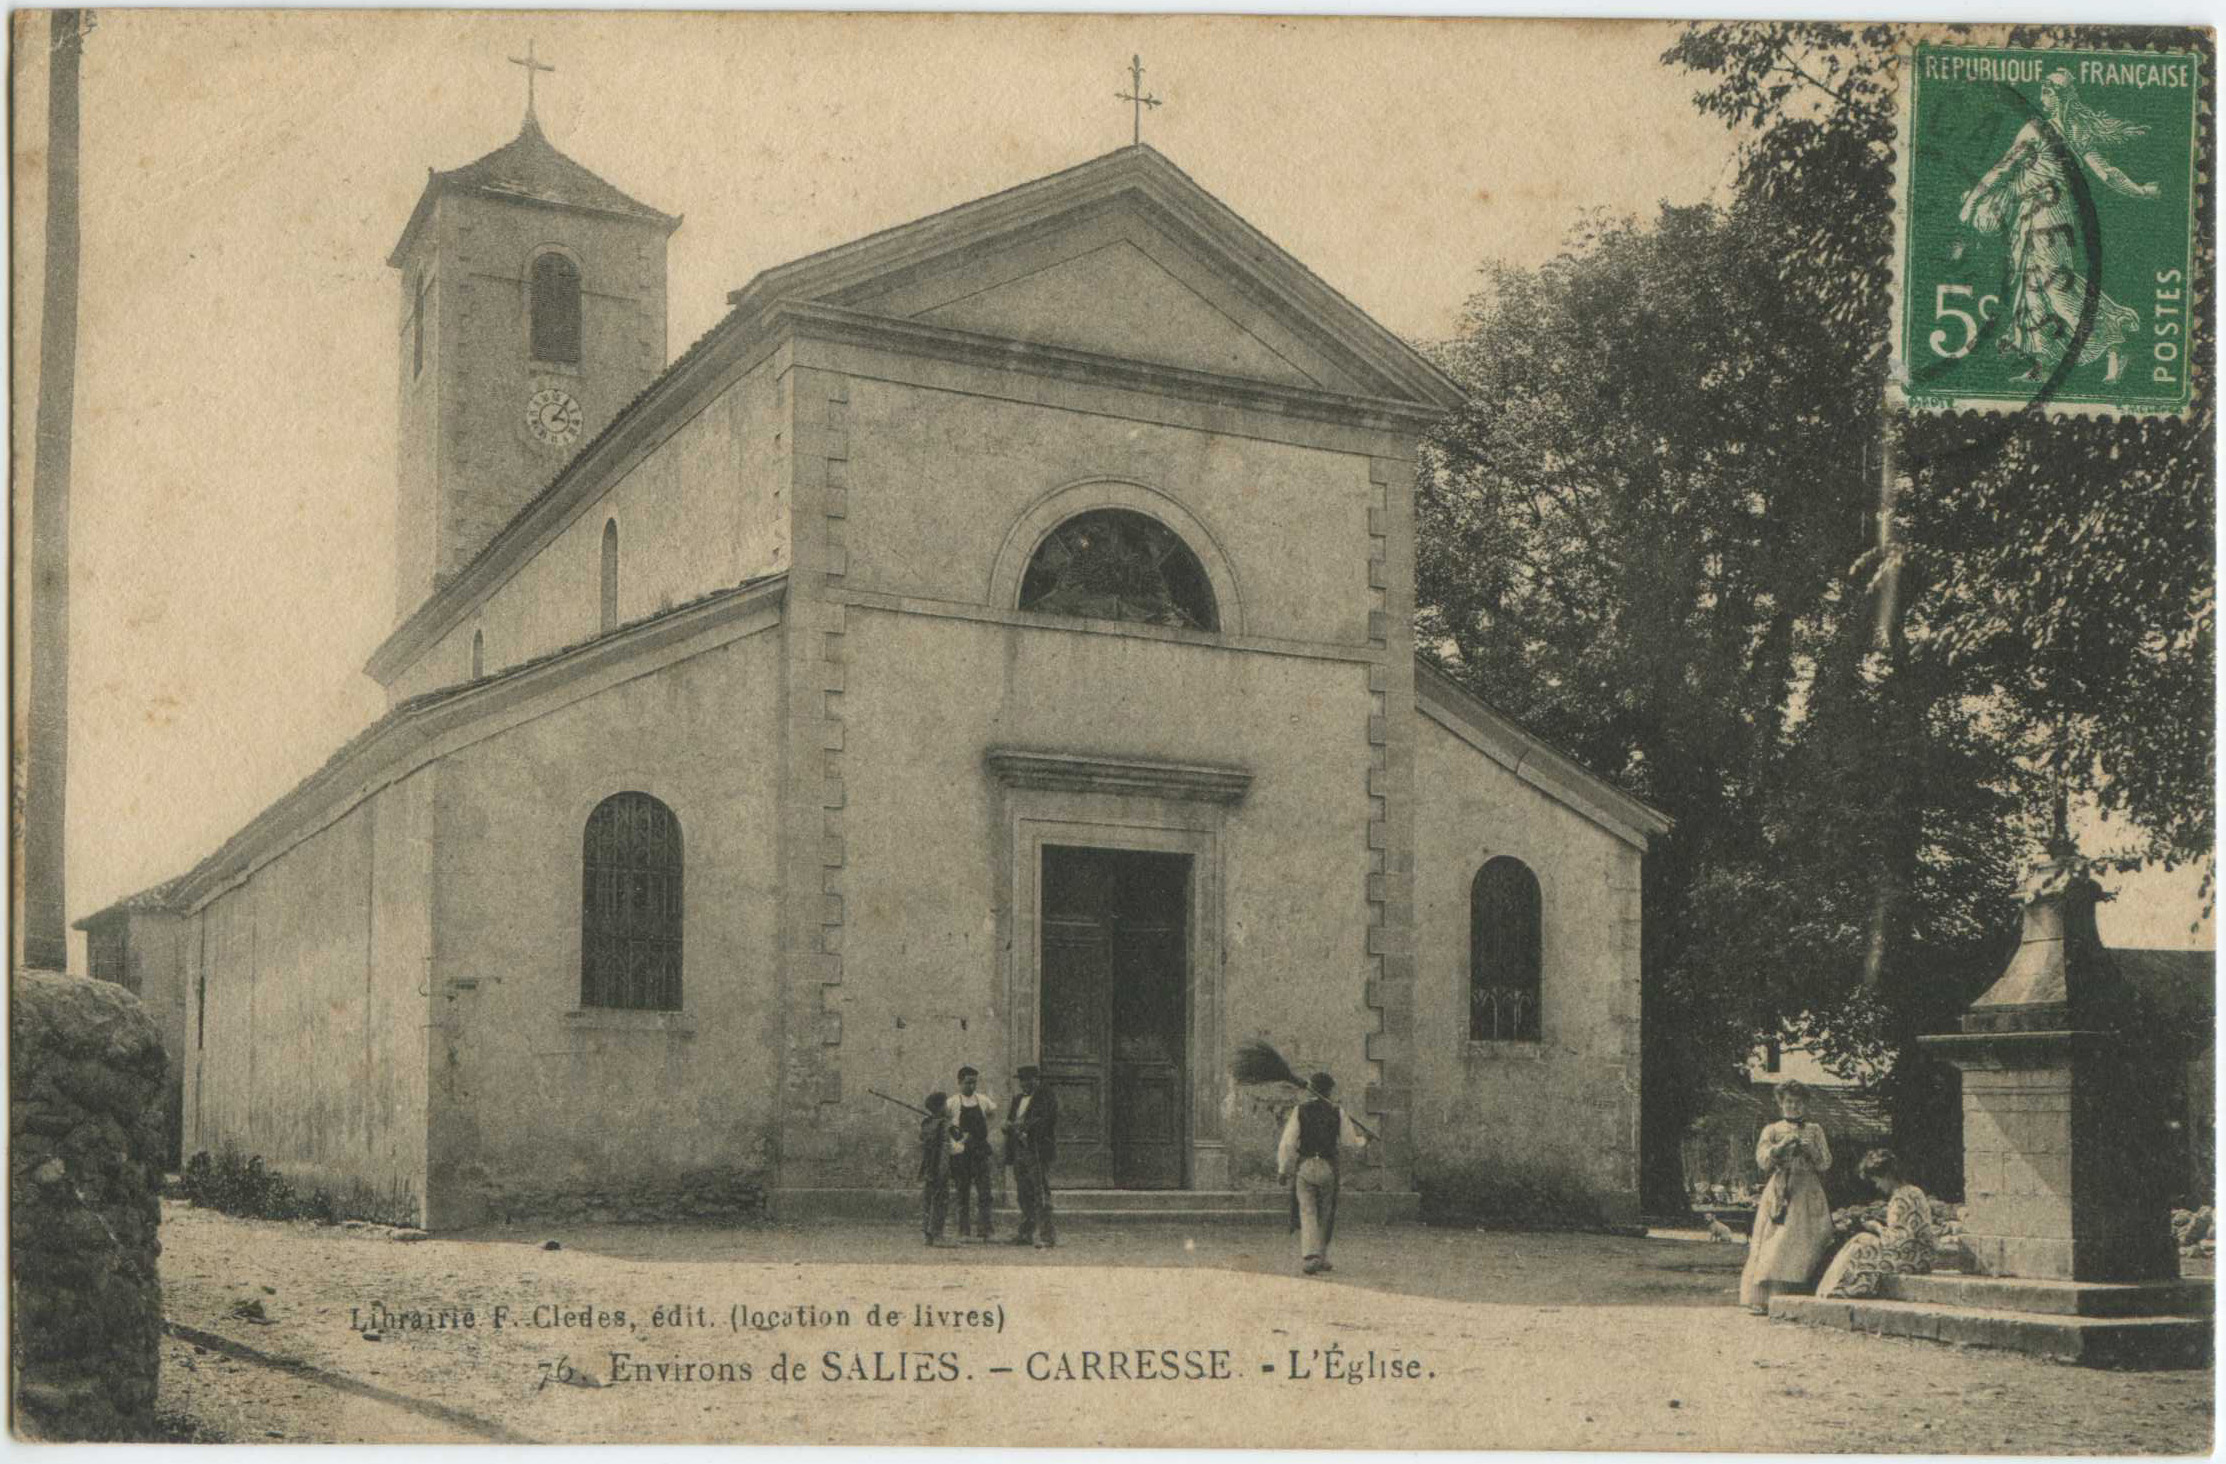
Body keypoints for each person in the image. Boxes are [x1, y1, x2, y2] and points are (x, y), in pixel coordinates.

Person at [1958, 69, 2157, 384]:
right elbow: (2002, 170)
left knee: (2055, 287)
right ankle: (2043, 364)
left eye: (2048, 90)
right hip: (2028, 216)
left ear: (2061, 95)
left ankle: (2115, 339)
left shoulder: (2073, 132)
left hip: (2054, 221)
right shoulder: (2034, 130)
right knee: (2031, 287)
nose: (2042, 95)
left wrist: (2139, 190)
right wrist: (1972, 203)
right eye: (2042, 89)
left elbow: (2106, 173)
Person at [1738, 1080, 1833, 1314]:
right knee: (1775, 1240)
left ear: (1806, 1105)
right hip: (1781, 1190)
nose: (1794, 1107)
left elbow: (1826, 1164)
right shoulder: (1772, 1130)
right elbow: (1762, 1162)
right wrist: (1779, 1148)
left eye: (1799, 1103)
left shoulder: (1815, 1130)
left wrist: (1811, 1150)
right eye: (1789, 1102)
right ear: (1781, 1103)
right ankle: (1766, 1298)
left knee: (1807, 1239)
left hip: (1807, 1190)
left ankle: (1803, 1295)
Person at [1276, 1071, 1367, 1275]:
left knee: (1307, 1211)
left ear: (1312, 1089)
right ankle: (1323, 1256)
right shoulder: (1337, 1112)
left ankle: (1311, 1256)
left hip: (1306, 1166)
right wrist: (1363, 1141)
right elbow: (1349, 1141)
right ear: (1330, 1090)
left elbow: (1288, 1143)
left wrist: (1282, 1169)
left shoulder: (1300, 1110)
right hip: (1328, 1167)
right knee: (1326, 1212)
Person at [1817, 1149, 1939, 1299]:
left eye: (1877, 1180)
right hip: (1924, 1256)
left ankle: (1830, 1290)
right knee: (1861, 1240)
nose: (1877, 1186)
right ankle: (1830, 1289)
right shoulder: (1914, 1191)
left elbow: (1898, 1240)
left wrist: (1876, 1227)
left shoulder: (1900, 1198)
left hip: (1913, 1259)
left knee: (1858, 1247)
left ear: (1887, 1176)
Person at [1003, 1064, 1058, 1248]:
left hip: (1036, 1150)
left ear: (1036, 1079)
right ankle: (1025, 1233)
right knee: (1023, 1193)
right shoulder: (1017, 1099)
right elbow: (1010, 1120)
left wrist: (1023, 1127)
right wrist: (1008, 1126)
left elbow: (1046, 1120)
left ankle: (1047, 1235)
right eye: (1021, 1081)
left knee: (1040, 1192)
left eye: (1027, 1080)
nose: (1023, 1084)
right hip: (1019, 1150)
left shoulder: (1047, 1096)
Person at [949, 1066, 998, 1242]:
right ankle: (964, 1231)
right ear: (959, 1082)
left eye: (974, 1082)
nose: (972, 1086)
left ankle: (985, 1230)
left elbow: (993, 1115)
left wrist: (985, 1132)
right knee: (963, 1192)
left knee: (985, 1191)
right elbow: (948, 1126)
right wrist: (958, 1138)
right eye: (968, 1082)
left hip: (980, 1151)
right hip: (962, 1153)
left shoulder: (983, 1100)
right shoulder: (953, 1102)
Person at [917, 1091, 963, 1247]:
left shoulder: (930, 1123)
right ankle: (937, 1235)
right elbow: (946, 1149)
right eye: (945, 1104)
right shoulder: (941, 1124)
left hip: (929, 1167)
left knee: (929, 1199)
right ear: (941, 1107)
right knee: (940, 1200)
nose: (948, 1107)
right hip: (939, 1167)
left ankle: (928, 1235)